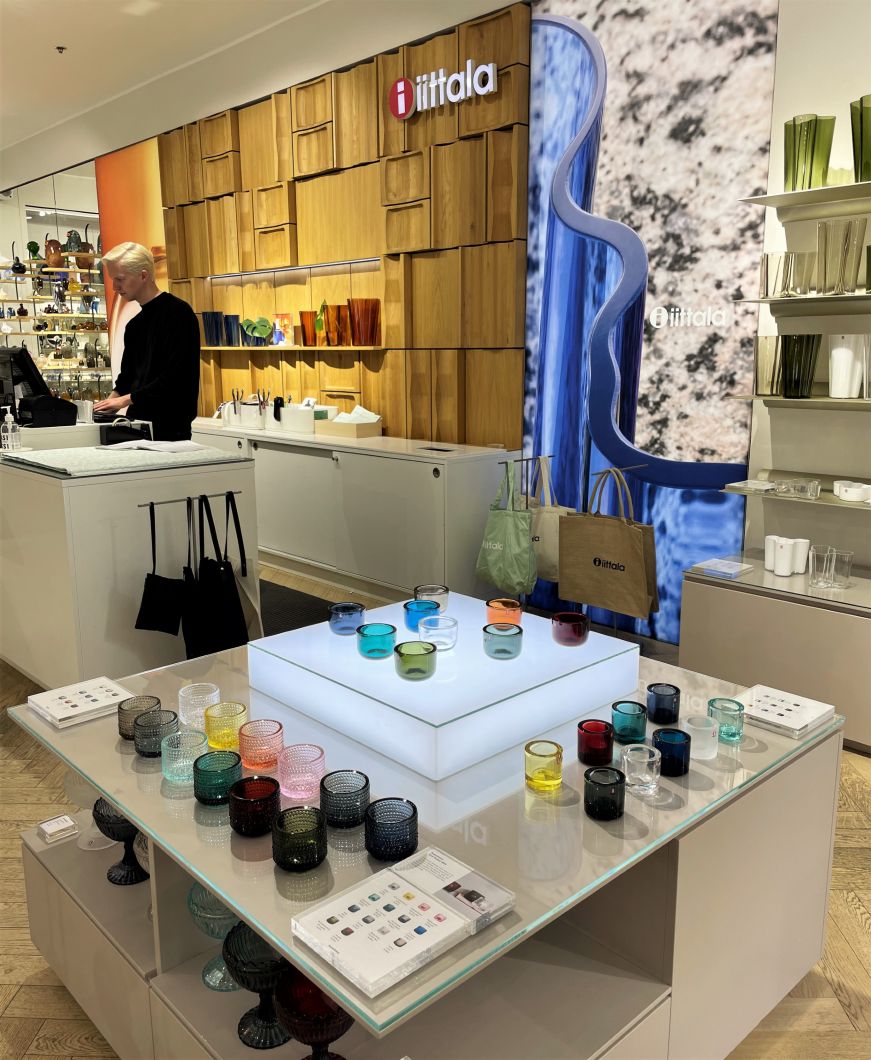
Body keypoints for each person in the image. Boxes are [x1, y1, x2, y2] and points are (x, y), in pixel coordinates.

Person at [94, 242, 200, 440]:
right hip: (137, 427)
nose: (115, 288)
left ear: (143, 275)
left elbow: (175, 377)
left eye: (120, 279)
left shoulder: (178, 314)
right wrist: (105, 406)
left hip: (170, 431)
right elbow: (126, 379)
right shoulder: (134, 325)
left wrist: (125, 400)